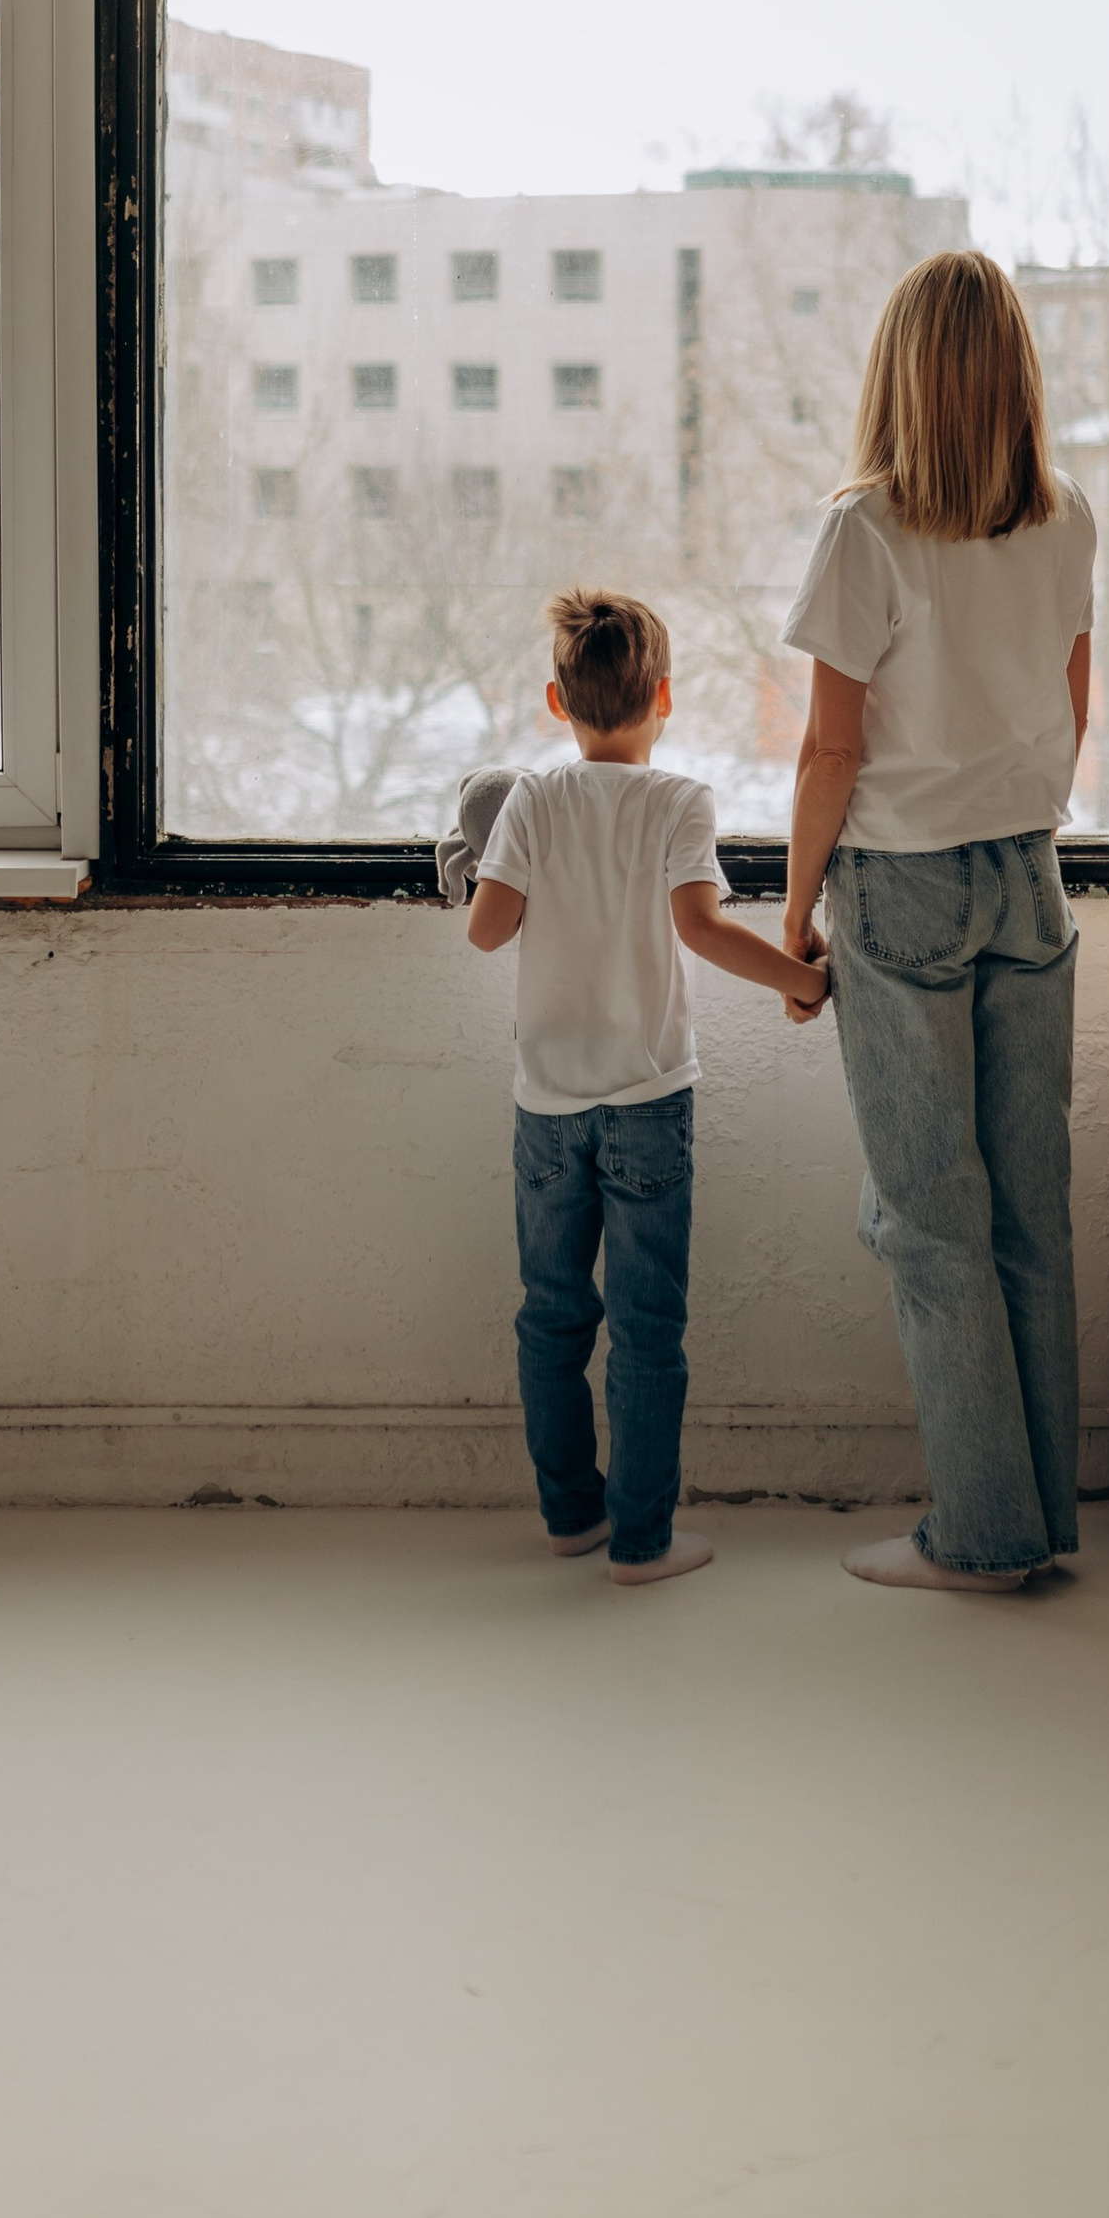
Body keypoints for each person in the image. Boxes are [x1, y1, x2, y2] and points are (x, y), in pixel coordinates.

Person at [780, 255, 1097, 1595]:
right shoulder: (1068, 515)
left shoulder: (866, 531)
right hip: (1029, 871)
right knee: (1029, 1205)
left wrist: (794, 913)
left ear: (898, 377)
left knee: (929, 1217)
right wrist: (1014, 814)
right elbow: (1076, 704)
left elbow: (827, 753)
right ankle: (1041, 1519)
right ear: (1016, 373)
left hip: (903, 885)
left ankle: (978, 1534)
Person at [467, 588, 830, 1585]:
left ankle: (568, 1515)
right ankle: (641, 1538)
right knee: (645, 1325)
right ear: (662, 694)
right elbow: (702, 929)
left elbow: (486, 929)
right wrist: (806, 979)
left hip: (546, 1103)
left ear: (556, 700)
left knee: (549, 1312)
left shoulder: (534, 799)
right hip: (648, 1101)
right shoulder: (680, 801)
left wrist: (492, 863)